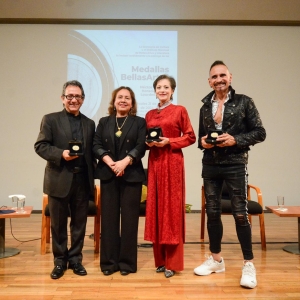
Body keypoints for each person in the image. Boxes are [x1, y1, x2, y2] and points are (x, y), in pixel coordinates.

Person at [194, 61, 266, 289]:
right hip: (210, 165)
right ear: (209, 81)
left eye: (222, 75)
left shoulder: (245, 101)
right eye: (214, 76)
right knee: (212, 213)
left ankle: (249, 264)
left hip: (235, 164)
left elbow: (260, 132)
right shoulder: (204, 107)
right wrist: (203, 143)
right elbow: (200, 139)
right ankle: (216, 260)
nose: (219, 79)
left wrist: (237, 139)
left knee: (240, 214)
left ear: (230, 77)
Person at [34, 80, 95, 279]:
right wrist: (61, 154)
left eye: (77, 96)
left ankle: (75, 260)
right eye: (69, 96)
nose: (73, 100)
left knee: (79, 224)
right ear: (63, 98)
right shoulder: (50, 119)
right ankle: (59, 261)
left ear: (83, 100)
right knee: (58, 224)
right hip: (59, 179)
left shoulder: (89, 123)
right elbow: (40, 146)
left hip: (82, 181)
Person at [144, 74, 196, 278]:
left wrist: (169, 142)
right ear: (155, 90)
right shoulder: (148, 114)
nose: (162, 90)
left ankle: (172, 263)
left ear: (172, 90)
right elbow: (146, 138)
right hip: (155, 162)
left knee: (171, 211)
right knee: (157, 208)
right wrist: (149, 143)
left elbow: (190, 136)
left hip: (172, 163)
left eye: (166, 87)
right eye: (159, 87)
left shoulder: (179, 110)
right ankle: (160, 260)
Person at [93, 86, 146, 276]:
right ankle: (108, 263)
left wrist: (124, 162)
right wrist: (111, 163)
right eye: (120, 97)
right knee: (109, 220)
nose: (123, 100)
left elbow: (141, 146)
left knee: (130, 221)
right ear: (114, 101)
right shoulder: (104, 121)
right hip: (108, 174)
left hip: (131, 176)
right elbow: (96, 144)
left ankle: (127, 264)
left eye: (127, 98)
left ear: (132, 103)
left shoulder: (139, 122)